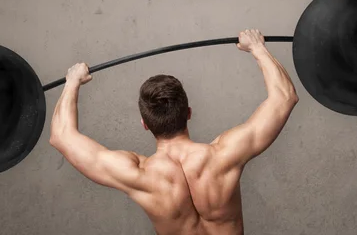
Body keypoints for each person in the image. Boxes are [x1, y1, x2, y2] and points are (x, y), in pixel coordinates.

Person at [50, 29, 299, 235]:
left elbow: (61, 136)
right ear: (188, 112)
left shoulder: (137, 175)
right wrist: (257, 48)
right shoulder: (224, 156)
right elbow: (284, 98)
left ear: (145, 124)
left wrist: (72, 82)